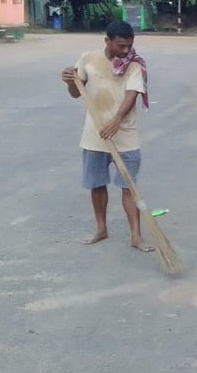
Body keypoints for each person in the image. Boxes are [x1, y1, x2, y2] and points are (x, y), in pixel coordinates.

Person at [59, 20, 152, 251]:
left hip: (125, 136)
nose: (125, 50)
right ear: (107, 41)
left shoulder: (134, 64)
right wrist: (71, 81)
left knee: (129, 186)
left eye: (129, 45)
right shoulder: (88, 59)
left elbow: (132, 95)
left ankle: (136, 236)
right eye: (120, 46)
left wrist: (117, 120)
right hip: (94, 134)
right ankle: (101, 229)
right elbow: (75, 93)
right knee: (97, 184)